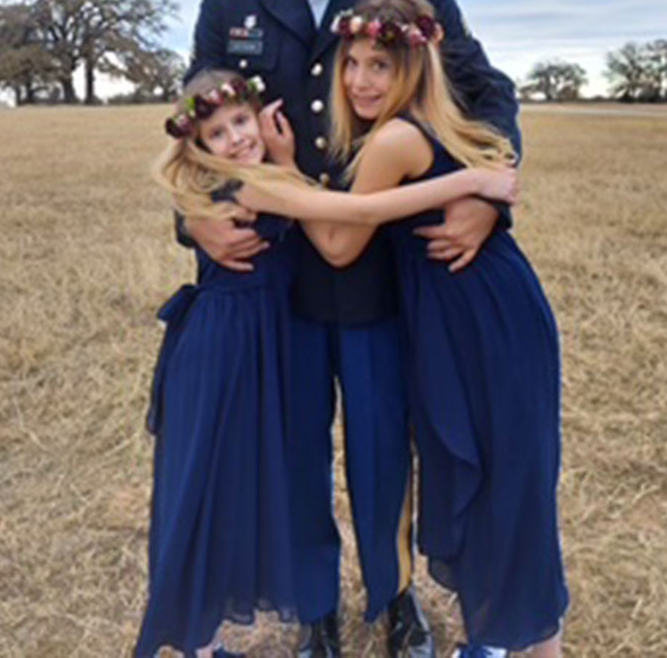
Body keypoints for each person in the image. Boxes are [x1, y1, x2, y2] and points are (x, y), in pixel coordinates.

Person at [181, 0, 520, 658]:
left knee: (382, 448)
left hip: (383, 276)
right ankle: (314, 606)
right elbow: (198, 125)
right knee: (294, 449)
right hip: (278, 275)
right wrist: (200, 225)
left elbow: (488, 91)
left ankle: (394, 595)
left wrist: (488, 191)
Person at [137, 69, 517, 658]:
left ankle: (201, 645)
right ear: (197, 145)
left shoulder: (244, 175)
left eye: (242, 120)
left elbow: (484, 89)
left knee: (210, 484)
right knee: (203, 487)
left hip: (245, 339)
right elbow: (360, 211)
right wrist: (468, 180)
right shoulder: (249, 183)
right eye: (219, 132)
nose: (238, 137)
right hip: (228, 349)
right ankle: (190, 641)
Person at [266, 0, 569, 657]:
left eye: (380, 64)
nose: (360, 80)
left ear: (416, 65)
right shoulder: (451, 119)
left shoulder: (396, 139)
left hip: (472, 321)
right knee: (508, 482)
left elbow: (339, 245)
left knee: (499, 487)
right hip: (494, 306)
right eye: (351, 62)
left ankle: (531, 641)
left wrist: (286, 170)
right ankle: (503, 635)